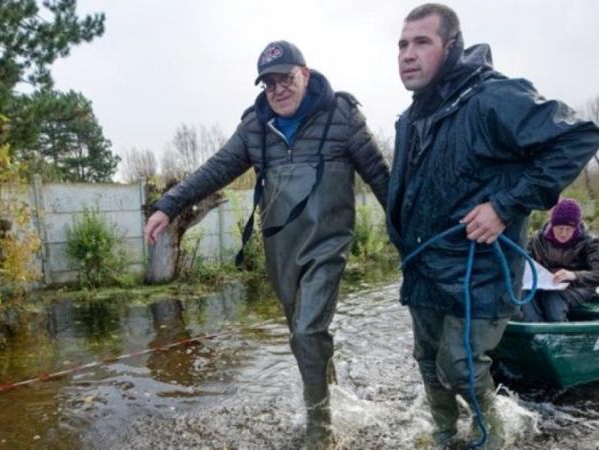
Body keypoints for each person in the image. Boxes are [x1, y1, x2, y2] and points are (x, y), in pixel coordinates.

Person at [144, 40, 389, 447]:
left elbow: (382, 180)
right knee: (300, 334)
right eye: (269, 83)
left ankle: (320, 432)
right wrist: (167, 206)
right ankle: (329, 391)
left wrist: (412, 235)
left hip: (327, 245)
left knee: (309, 330)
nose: (278, 90)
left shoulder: (342, 116)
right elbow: (215, 170)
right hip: (280, 248)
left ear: (305, 75)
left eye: (286, 79)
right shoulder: (255, 127)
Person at [386, 4, 599, 449]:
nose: (407, 53)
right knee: (428, 360)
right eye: (402, 44)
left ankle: (492, 439)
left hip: (480, 269)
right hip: (424, 266)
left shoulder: (492, 97)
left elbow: (579, 136)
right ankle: (444, 435)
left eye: (421, 42)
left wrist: (505, 206)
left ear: (451, 47)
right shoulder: (409, 119)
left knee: (461, 364)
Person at [521, 198, 599, 322]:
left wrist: (573, 275)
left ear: (576, 227)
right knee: (525, 294)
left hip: (578, 287)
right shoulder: (538, 239)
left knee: (552, 298)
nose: (563, 234)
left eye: (569, 229)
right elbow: (524, 263)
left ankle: (559, 336)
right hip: (544, 285)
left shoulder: (590, 243)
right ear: (552, 225)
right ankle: (534, 331)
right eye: (560, 228)